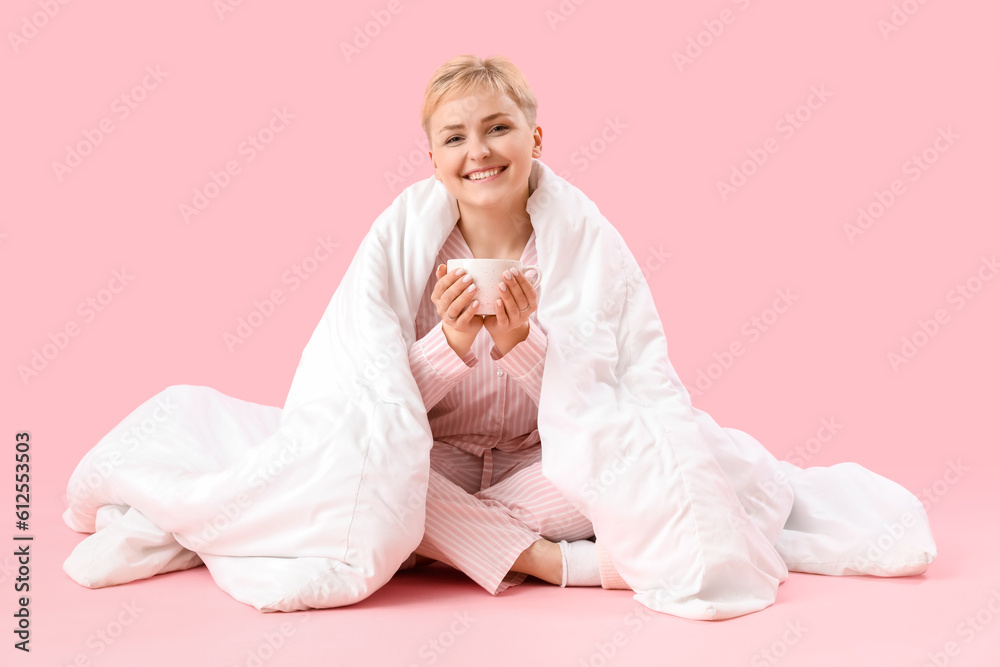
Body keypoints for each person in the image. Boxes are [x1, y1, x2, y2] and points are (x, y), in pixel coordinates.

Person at [395, 54, 627, 594]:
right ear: (433, 160)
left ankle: (436, 544)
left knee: (621, 470)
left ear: (536, 139)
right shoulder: (409, 254)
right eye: (455, 138)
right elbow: (382, 402)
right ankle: (552, 563)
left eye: (498, 128)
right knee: (375, 480)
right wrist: (449, 342)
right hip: (440, 458)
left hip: (541, 462)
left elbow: (596, 401)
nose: (478, 151)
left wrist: (516, 341)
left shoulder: (575, 249)